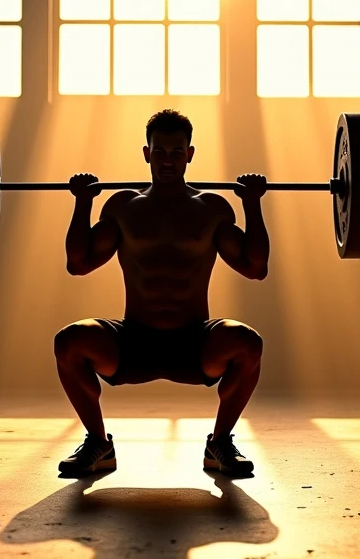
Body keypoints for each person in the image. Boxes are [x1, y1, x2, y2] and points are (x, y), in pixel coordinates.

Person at [54, 109, 269, 478]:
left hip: (194, 341)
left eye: (175, 152)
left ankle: (220, 443)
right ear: (146, 153)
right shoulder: (123, 206)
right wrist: (82, 202)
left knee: (248, 343)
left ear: (189, 154)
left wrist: (252, 203)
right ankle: (97, 443)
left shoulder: (212, 208)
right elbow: (79, 263)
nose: (167, 160)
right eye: (160, 151)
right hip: (135, 338)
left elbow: (255, 268)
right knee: (69, 342)